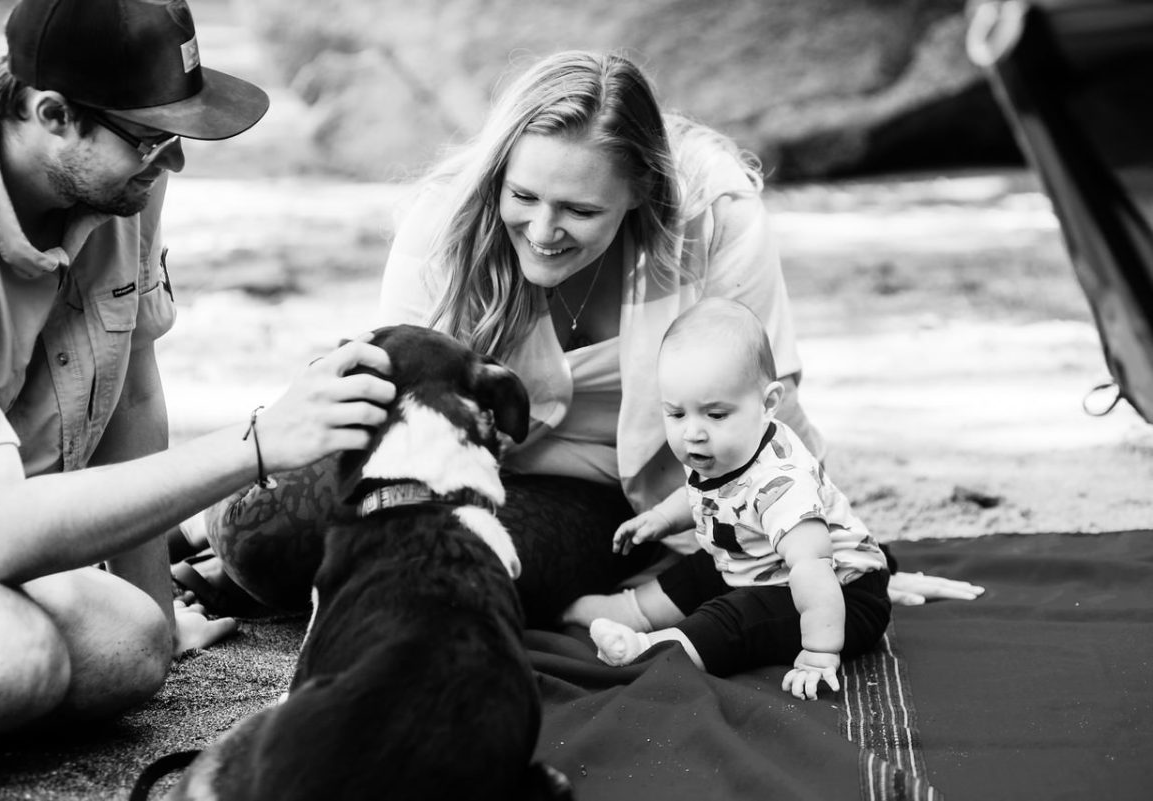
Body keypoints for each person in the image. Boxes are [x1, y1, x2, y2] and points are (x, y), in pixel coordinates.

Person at [193, 49, 982, 628]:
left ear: (640, 194)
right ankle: (222, 553)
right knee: (259, 536)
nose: (543, 230)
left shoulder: (718, 219)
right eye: (525, 195)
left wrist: (833, 549)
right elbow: (397, 397)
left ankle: (307, 582)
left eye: (579, 211)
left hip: (605, 494)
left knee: (463, 583)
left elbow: (760, 409)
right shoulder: (446, 221)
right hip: (454, 462)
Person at [0, 0, 395, 751]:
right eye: (152, 137)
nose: (174, 161)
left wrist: (157, 616)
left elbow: (133, 386)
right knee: (10, 658)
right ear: (55, 114)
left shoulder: (117, 180)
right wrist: (258, 442)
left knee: (127, 647)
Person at [571, 299, 890, 699]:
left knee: (742, 616)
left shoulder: (782, 487)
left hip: (841, 597)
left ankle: (657, 649)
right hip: (762, 564)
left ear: (769, 404)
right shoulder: (723, 448)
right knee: (704, 566)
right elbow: (702, 495)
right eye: (676, 414)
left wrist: (819, 654)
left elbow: (812, 567)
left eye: (715, 414)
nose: (693, 433)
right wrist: (660, 518)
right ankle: (631, 611)